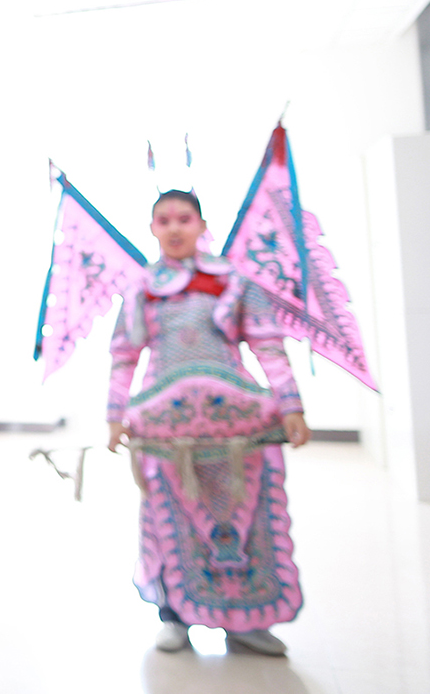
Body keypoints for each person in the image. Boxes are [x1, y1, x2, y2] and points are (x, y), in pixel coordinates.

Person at [105, 189, 310, 657]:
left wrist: (291, 406)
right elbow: (122, 358)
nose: (174, 228)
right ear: (153, 229)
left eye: (184, 219)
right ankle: (174, 616)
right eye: (164, 221)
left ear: (201, 225)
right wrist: (114, 417)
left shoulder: (236, 281)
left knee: (242, 515)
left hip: (235, 429)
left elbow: (269, 347)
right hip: (164, 430)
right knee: (167, 518)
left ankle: (244, 622)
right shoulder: (141, 289)